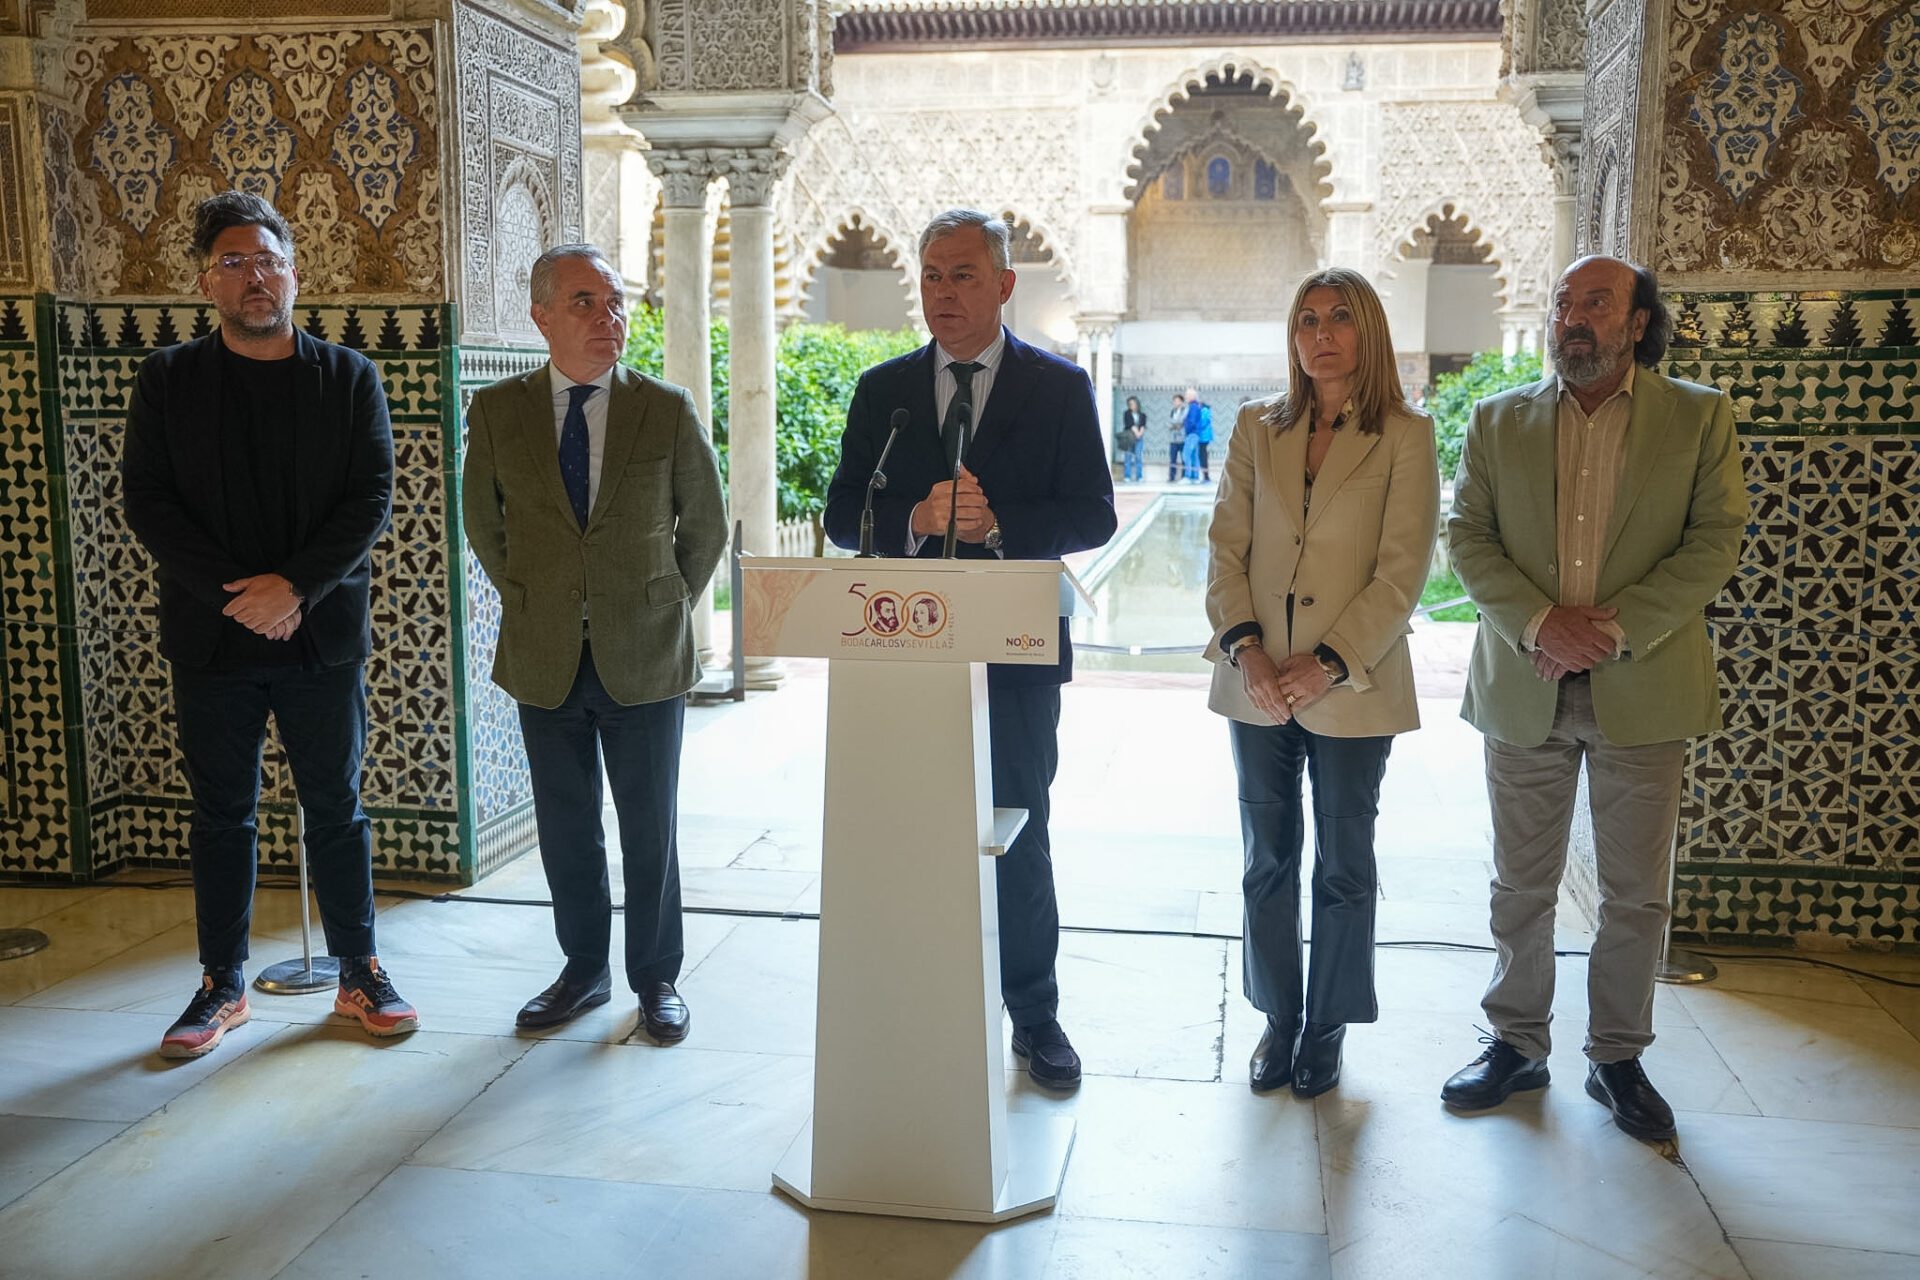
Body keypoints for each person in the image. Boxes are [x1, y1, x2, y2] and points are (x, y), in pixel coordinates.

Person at [1440, 255, 1745, 1141]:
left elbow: (1715, 540)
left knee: (1635, 893)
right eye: (1562, 302)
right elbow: (1468, 537)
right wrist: (1542, 623)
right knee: (1520, 883)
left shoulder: (1697, 417)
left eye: (1596, 303)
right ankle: (1515, 1044)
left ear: (1638, 323)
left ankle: (1617, 1057)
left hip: (1642, 685)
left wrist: (1610, 631)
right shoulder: (1498, 420)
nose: (1572, 317)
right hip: (1525, 682)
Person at [823, 208, 1117, 1088]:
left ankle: (1035, 1014)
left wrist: (1000, 526)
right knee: (912, 831)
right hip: (907, 660)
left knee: (1018, 830)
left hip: (1017, 652)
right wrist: (915, 517)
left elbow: (1094, 514)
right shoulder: (884, 391)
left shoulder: (1059, 387)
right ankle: (921, 1001)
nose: (943, 293)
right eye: (931, 276)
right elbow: (842, 515)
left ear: (1004, 284)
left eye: (962, 275)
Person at [124, 191, 416, 1058]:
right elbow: (149, 502)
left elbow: (370, 497)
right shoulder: (168, 378)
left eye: (269, 259)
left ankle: (360, 971)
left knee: (336, 806)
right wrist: (240, 598)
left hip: (320, 633)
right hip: (212, 637)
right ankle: (222, 983)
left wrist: (293, 589)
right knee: (222, 812)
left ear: (294, 273)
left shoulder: (349, 376)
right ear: (205, 282)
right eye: (234, 262)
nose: (255, 276)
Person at [463, 244, 727, 1042]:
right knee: (567, 827)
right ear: (541, 316)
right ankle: (583, 970)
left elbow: (705, 525)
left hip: (644, 651)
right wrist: (534, 595)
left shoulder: (666, 407)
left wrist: (660, 602)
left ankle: (656, 977)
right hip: (544, 653)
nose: (607, 318)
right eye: (585, 302)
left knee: (651, 829)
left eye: (615, 303)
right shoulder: (500, 411)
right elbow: (484, 523)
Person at [1205, 268, 1439, 1097]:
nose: (1321, 333)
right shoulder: (1256, 426)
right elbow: (1225, 547)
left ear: (1367, 331)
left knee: (1344, 863)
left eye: (1339, 317)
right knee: (1266, 858)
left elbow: (1402, 571)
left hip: (1353, 684)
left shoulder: (1406, 434)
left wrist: (1328, 661)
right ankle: (1278, 1020)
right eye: (1306, 319)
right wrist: (1249, 652)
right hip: (1257, 683)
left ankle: (1328, 1026)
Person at [1121, 395, 1148, 482]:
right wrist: (1137, 433)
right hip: (1129, 437)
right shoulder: (1127, 413)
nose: (1131, 405)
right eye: (1130, 404)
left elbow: (1143, 425)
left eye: (1133, 403)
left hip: (1139, 438)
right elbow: (1130, 424)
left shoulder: (1142, 415)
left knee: (1138, 456)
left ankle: (1139, 476)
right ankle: (1127, 476)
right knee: (1128, 457)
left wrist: (1139, 434)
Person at [1182, 387, 1205, 481]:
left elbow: (1192, 421)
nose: (1185, 397)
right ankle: (1195, 477)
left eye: (1187, 395)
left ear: (1192, 396)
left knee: (1186, 454)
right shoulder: (1195, 406)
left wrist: (1186, 427)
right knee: (1194, 456)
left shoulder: (1193, 407)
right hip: (1195, 434)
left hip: (1192, 434)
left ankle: (1188, 476)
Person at [1167, 393, 1187, 482]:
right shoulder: (1172, 411)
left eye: (1178, 401)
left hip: (1182, 439)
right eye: (1174, 401)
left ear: (1182, 402)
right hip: (1173, 439)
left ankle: (1184, 476)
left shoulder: (1185, 410)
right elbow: (1169, 422)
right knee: (1172, 459)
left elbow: (1181, 421)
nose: (1176, 403)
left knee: (1184, 459)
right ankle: (1172, 477)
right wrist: (1174, 425)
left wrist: (1175, 424)